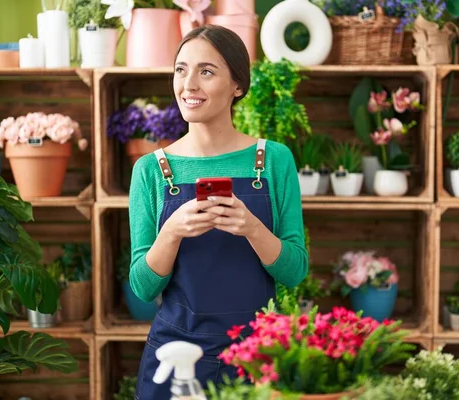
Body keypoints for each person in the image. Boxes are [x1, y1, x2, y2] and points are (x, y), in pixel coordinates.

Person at [129, 25, 308, 399]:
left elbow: (294, 271)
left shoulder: (272, 160)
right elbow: (144, 287)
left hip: (257, 355)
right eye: (181, 69)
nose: (188, 84)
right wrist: (172, 231)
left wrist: (253, 228)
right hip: (174, 356)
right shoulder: (151, 170)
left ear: (237, 86)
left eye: (206, 71)